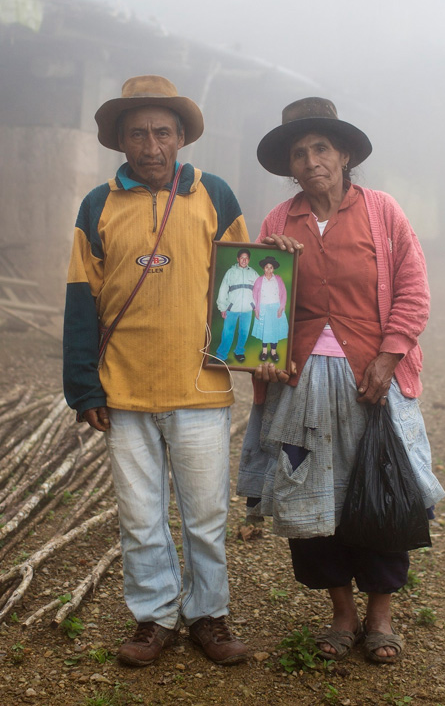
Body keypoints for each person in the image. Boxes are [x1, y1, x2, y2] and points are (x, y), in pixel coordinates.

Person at [238, 97, 445, 664]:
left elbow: (413, 289)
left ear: (345, 153)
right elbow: (262, 305)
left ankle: (380, 618)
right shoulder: (279, 222)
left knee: (382, 490)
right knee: (311, 499)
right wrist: (264, 347)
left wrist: (391, 354)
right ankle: (341, 615)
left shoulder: (381, 212)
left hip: (370, 379)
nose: (310, 161)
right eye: (298, 153)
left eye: (321, 148)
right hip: (300, 384)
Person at [64, 75, 260, 668]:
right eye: (139, 134)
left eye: (163, 132)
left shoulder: (215, 195)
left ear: (181, 137)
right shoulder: (97, 205)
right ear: (121, 142)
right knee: (140, 515)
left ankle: (209, 615)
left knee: (205, 514)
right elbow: (80, 298)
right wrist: (83, 387)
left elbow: (243, 288)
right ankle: (153, 616)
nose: (152, 145)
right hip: (123, 390)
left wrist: (258, 359)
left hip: (199, 387)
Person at [215, 248, 257, 362]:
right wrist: (222, 307)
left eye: (246, 258)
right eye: (242, 258)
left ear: (249, 260)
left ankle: (239, 352)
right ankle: (221, 355)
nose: (244, 260)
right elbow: (223, 289)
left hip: (247, 309)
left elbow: (259, 290)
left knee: (244, 332)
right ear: (238, 259)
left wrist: (255, 305)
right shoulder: (230, 272)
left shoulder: (253, 273)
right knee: (227, 332)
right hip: (232, 308)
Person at [250, 255, 288, 362]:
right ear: (263, 268)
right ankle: (264, 351)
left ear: (273, 269)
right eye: (267, 267)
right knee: (265, 331)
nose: (269, 270)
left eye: (271, 267)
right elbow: (254, 295)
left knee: (274, 331)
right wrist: (256, 309)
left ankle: (273, 352)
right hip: (263, 308)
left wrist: (281, 307)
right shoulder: (259, 280)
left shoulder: (278, 280)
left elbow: (283, 294)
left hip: (276, 308)